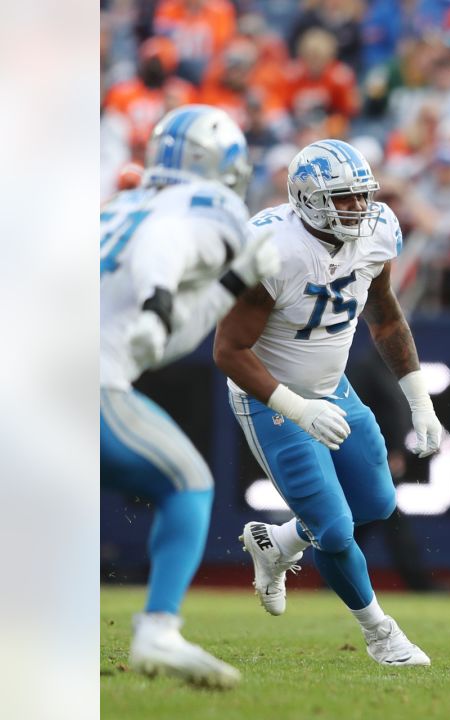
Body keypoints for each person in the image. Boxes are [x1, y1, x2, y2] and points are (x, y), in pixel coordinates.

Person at [213, 139, 442, 667]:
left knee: (378, 505)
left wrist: (419, 401)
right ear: (307, 199)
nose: (356, 209)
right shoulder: (274, 249)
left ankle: (277, 542)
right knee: (336, 531)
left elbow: (384, 317)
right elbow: (228, 351)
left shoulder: (377, 232)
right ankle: (381, 634)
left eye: (361, 196)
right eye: (341, 199)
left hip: (334, 388)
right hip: (272, 396)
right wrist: (296, 408)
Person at [101, 105, 279, 687]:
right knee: (188, 482)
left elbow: (165, 342)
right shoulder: (207, 207)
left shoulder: (121, 202)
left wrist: (231, 284)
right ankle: (158, 628)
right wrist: (155, 302)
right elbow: (166, 241)